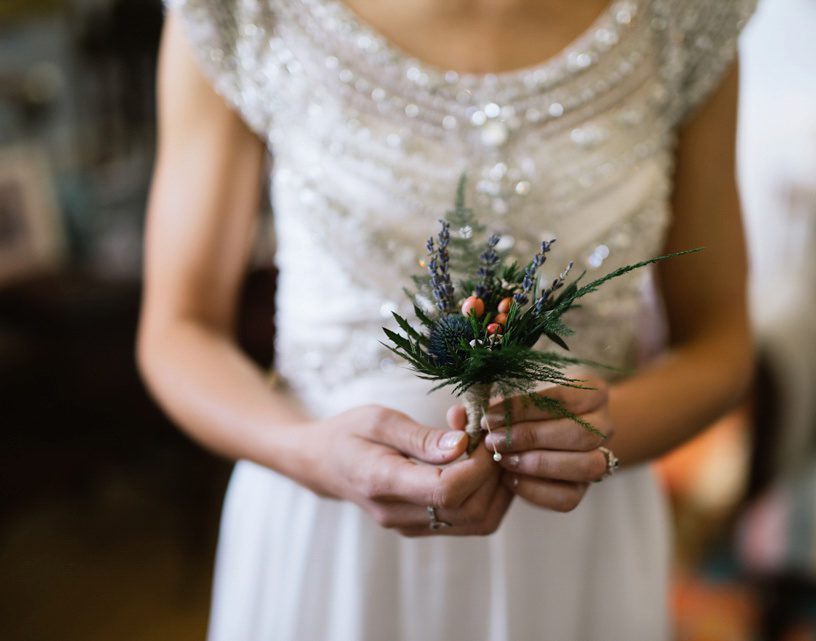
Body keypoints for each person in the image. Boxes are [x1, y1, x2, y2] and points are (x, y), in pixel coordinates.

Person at [137, 0, 756, 639]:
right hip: (335, 536)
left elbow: (722, 341)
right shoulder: (244, 11)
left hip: (578, 543)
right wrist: (306, 453)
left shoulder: (683, 17)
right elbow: (178, 329)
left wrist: (609, 430)